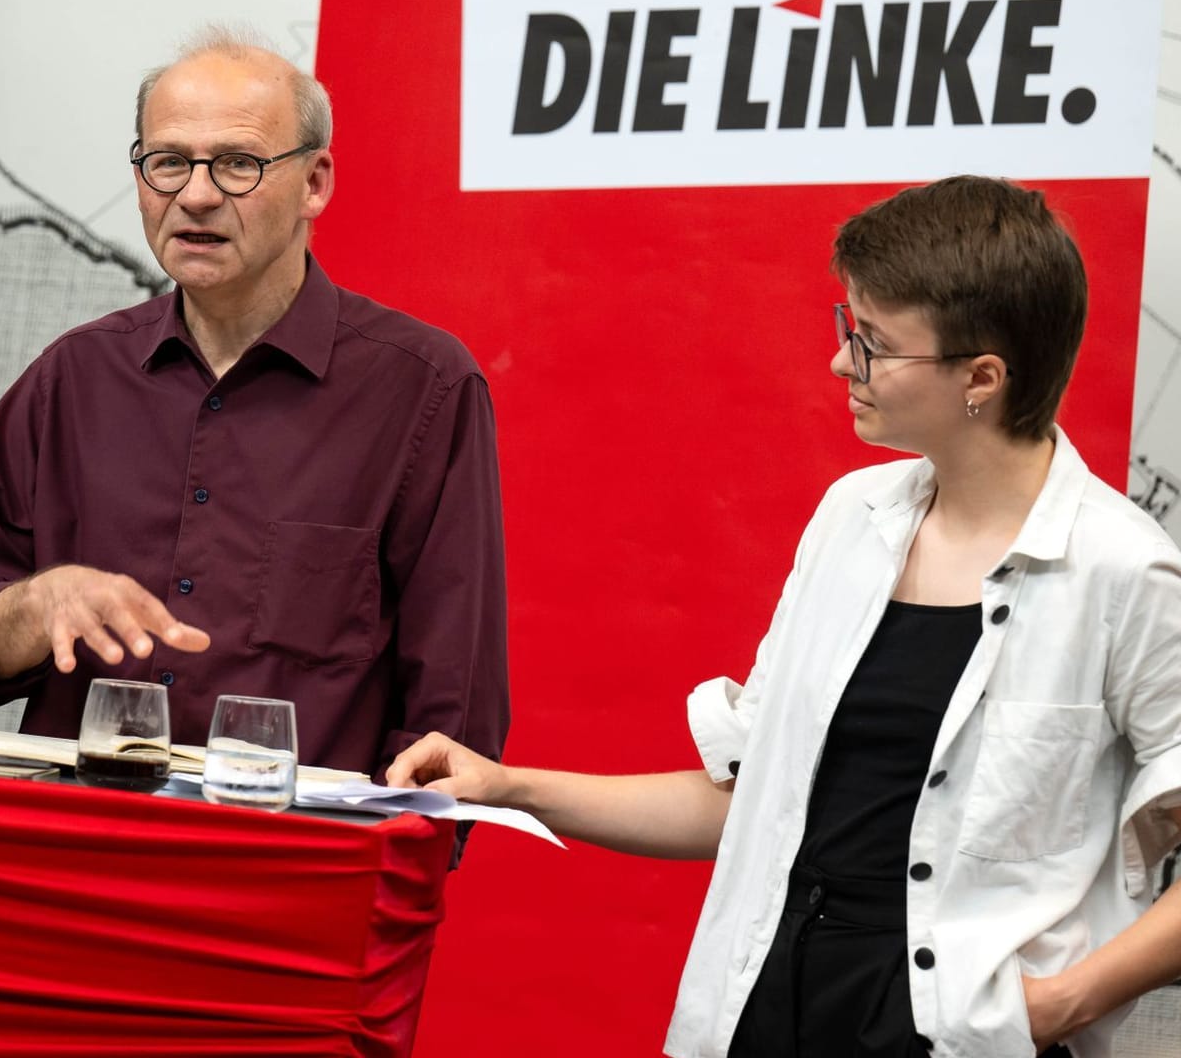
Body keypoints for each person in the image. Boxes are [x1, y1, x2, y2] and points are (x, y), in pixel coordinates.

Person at [388, 176, 1181, 1057]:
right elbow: (750, 800)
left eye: (872, 342)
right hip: (772, 1009)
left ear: (981, 378)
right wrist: (509, 787)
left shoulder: (1123, 570)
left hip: (963, 1034)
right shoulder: (854, 517)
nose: (844, 362)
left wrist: (1057, 1006)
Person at [0, 28, 510, 776]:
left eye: (237, 164)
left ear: (315, 184)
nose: (194, 195)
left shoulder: (421, 387)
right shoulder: (73, 378)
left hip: (284, 865)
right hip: (75, 849)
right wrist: (37, 606)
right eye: (167, 163)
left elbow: (453, 713)